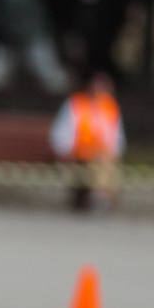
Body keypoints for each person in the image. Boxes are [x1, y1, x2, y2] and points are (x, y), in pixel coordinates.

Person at [52, 72, 125, 211]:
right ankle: (101, 197)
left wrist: (111, 153)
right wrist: (65, 153)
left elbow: (117, 138)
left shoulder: (110, 107)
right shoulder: (76, 104)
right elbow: (62, 133)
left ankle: (100, 196)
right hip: (78, 154)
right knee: (100, 163)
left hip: (100, 155)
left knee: (104, 161)